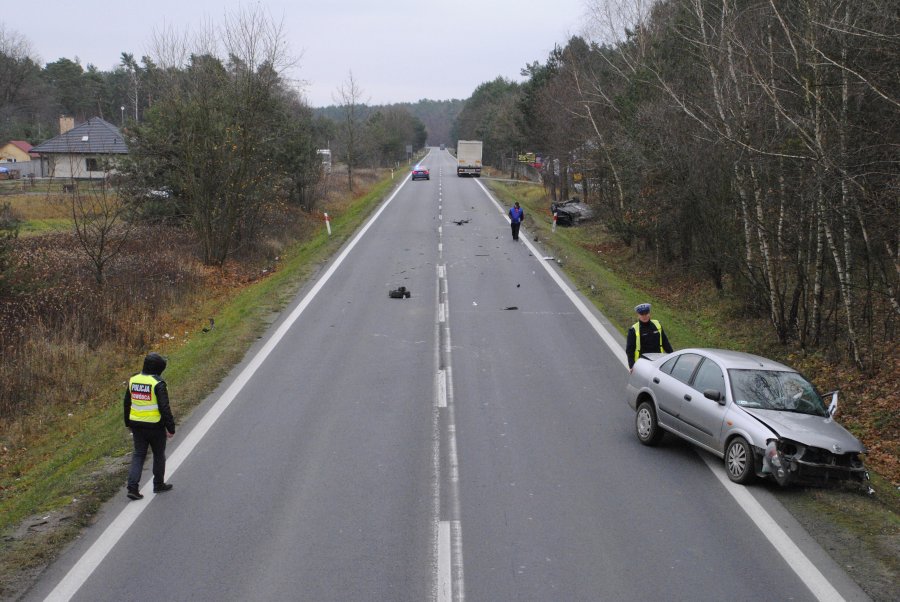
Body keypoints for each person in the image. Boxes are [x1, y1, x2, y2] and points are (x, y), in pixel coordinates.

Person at [124, 352, 176, 500]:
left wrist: (128, 422)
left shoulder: (133, 380)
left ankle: (132, 488)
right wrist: (170, 427)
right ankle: (158, 484)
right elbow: (164, 407)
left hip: (136, 425)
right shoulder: (158, 383)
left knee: (139, 454)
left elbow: (127, 403)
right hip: (155, 426)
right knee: (159, 454)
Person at [625, 303, 673, 372]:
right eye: (642, 314)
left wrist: (672, 355)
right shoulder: (633, 330)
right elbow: (630, 350)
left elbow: (665, 342)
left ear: (649, 313)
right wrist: (632, 366)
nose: (644, 316)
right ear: (638, 315)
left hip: (658, 360)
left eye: (646, 313)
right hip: (642, 363)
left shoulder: (657, 324)